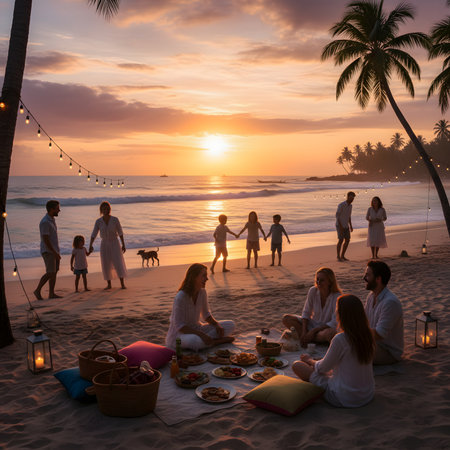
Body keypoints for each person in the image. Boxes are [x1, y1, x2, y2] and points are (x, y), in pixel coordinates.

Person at [293, 294, 375, 408]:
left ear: (341, 314)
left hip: (344, 397)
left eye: (336, 310)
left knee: (297, 365)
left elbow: (322, 369)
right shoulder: (368, 335)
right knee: (322, 366)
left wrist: (309, 360)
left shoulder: (341, 339)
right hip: (366, 394)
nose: (335, 313)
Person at [165, 263, 236, 351]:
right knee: (195, 341)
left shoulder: (202, 292)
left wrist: (217, 324)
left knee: (230, 325)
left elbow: (206, 314)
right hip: (179, 335)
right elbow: (180, 326)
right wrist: (202, 335)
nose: (207, 279)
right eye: (204, 276)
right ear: (194, 277)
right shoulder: (181, 296)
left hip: (197, 329)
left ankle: (209, 341)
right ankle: (216, 342)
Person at [282, 267, 341, 347]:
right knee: (286, 319)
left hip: (324, 329)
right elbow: (306, 312)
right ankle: (310, 338)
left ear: (330, 282)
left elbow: (334, 322)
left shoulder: (337, 296)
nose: (318, 282)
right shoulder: (313, 291)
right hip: (311, 324)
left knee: (331, 334)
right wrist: (304, 331)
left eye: (322, 280)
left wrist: (313, 331)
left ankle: (310, 338)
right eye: (317, 279)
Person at [363, 260, 403, 365]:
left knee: (352, 351)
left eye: (368, 275)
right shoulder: (371, 296)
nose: (364, 278)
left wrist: (357, 332)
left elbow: (380, 334)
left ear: (378, 279)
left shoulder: (390, 302)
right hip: (373, 343)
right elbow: (364, 321)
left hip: (388, 351)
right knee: (343, 341)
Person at [89, 201, 127, 290]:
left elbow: (120, 232)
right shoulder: (98, 221)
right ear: (101, 210)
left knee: (118, 262)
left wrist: (123, 244)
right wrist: (90, 245)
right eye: (104, 209)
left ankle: (122, 284)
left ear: (109, 209)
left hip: (115, 242)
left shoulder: (115, 219)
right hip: (104, 243)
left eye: (107, 208)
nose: (106, 210)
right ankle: (109, 284)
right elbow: (94, 234)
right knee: (106, 263)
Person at [34, 200, 62, 300]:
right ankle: (37, 290)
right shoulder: (45, 222)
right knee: (50, 272)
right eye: (57, 208)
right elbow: (45, 239)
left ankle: (51, 293)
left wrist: (57, 251)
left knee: (54, 271)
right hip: (48, 251)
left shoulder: (51, 219)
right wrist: (54, 252)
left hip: (54, 250)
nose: (59, 210)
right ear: (51, 209)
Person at [336, 191, 356, 261]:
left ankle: (343, 256)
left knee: (347, 240)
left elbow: (349, 216)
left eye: (353, 198)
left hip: (346, 225)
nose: (352, 199)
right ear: (347, 197)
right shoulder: (341, 205)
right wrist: (340, 226)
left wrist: (351, 225)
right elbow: (337, 216)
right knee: (341, 240)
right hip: (339, 225)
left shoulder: (350, 206)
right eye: (351, 197)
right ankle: (338, 256)